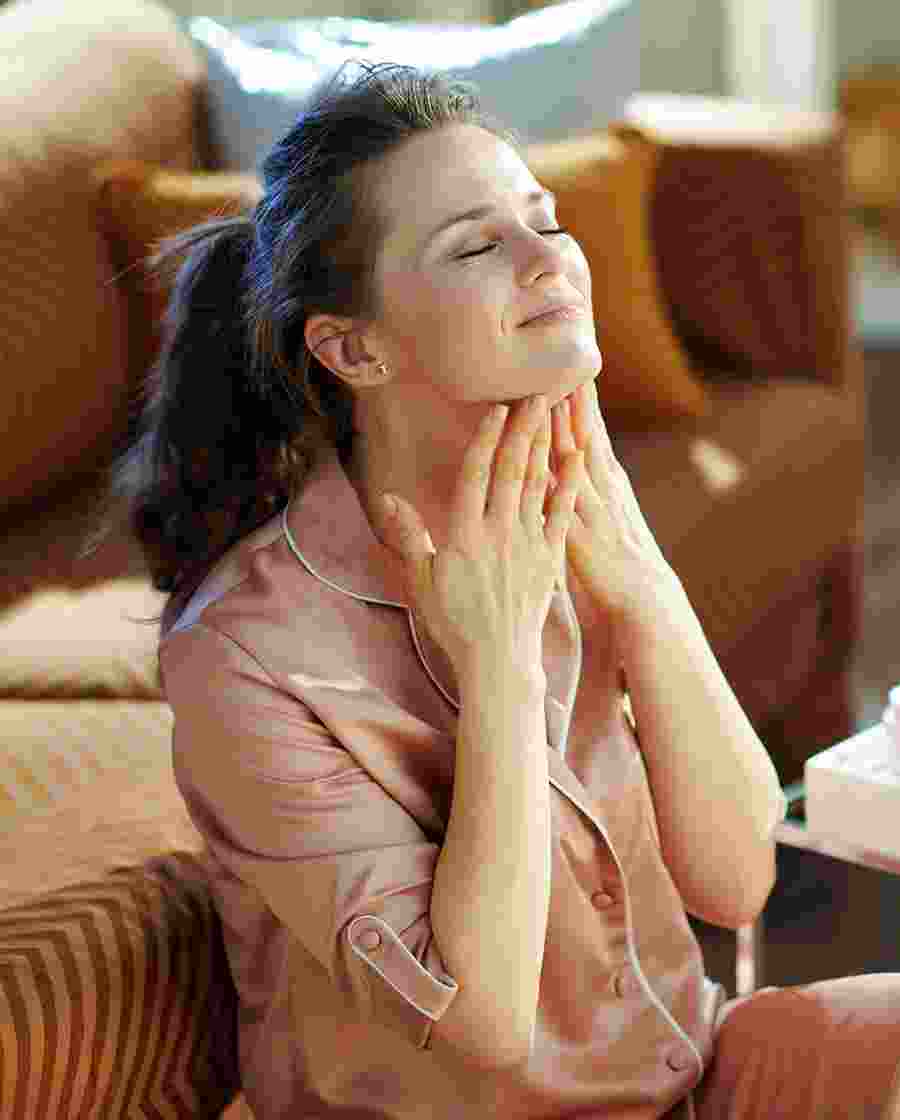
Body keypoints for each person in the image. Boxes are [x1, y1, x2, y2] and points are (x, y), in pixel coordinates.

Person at [80, 60, 900, 1120]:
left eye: (545, 220)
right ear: (353, 348)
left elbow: (737, 878)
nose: (549, 258)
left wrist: (640, 585)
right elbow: (486, 1019)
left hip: (690, 1076)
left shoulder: (575, 500)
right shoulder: (246, 656)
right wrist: (499, 657)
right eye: (476, 245)